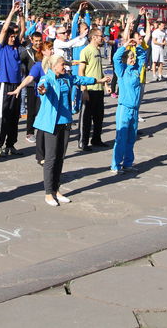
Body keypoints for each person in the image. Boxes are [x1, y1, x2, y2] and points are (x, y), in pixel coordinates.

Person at [34, 54, 109, 207]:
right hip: (51, 124)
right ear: (54, 66)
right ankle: (48, 193)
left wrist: (97, 81)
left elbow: (80, 79)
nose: (65, 67)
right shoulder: (47, 78)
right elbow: (42, 87)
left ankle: (56, 190)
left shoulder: (67, 77)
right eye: (62, 65)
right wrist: (41, 90)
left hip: (65, 122)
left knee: (60, 157)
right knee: (51, 159)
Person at [0, 2, 25, 156]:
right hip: (5, 84)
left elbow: (23, 30)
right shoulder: (0, 47)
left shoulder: (16, 46)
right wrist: (12, 12)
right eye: (10, 36)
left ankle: (10, 145)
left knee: (14, 116)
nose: (13, 38)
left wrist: (21, 15)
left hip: (17, 85)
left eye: (14, 36)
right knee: (2, 115)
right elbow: (5, 28)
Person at [110, 37, 147, 172]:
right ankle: (115, 165)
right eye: (130, 58)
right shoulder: (122, 71)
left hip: (135, 109)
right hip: (124, 108)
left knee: (131, 138)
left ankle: (128, 163)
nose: (133, 60)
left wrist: (137, 46)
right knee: (121, 138)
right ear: (125, 60)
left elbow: (143, 57)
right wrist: (125, 45)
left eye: (133, 58)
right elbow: (115, 58)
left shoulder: (136, 69)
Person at [78, 28, 110, 151]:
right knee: (86, 118)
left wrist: (106, 85)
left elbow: (99, 69)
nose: (102, 38)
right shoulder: (86, 51)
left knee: (98, 117)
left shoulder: (97, 50)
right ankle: (83, 142)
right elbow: (81, 71)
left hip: (99, 89)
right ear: (93, 37)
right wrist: (84, 89)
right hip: (89, 89)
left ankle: (96, 139)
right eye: (100, 36)